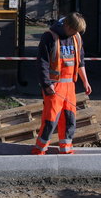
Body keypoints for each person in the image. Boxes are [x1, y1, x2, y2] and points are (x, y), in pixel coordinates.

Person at [32, 12, 92, 155]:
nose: (74, 34)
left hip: (70, 86)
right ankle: (39, 150)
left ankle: (66, 149)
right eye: (73, 30)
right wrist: (47, 84)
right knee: (50, 120)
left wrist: (85, 81)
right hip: (54, 87)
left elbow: (80, 62)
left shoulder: (76, 37)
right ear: (66, 25)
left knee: (70, 119)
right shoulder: (50, 37)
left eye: (77, 31)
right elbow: (42, 63)